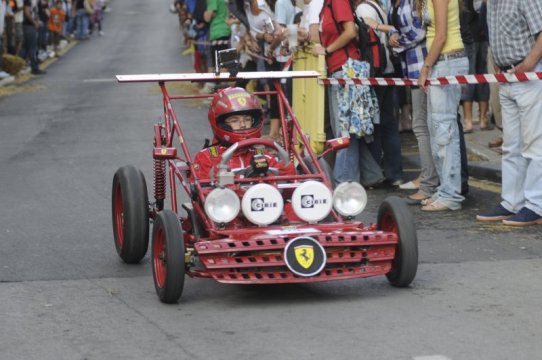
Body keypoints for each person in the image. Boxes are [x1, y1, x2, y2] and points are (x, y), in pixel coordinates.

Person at [476, 0, 542, 226]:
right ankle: (511, 202)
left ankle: (536, 205)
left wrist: (530, 62)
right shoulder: (491, 3)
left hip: (529, 76)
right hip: (507, 77)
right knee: (511, 145)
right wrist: (498, 61)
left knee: (534, 144)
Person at [312, 0, 382, 187]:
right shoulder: (326, 5)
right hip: (340, 71)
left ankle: (344, 182)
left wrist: (326, 50)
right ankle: (371, 174)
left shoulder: (336, 1)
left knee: (344, 132)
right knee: (348, 129)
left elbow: (351, 31)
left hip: (346, 70)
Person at [416, 0, 468, 211]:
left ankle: (450, 194)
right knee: (437, 130)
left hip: (447, 61)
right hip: (442, 61)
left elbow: (441, 35)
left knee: (444, 132)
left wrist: (425, 68)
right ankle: (445, 189)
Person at [192, 87, 295, 179]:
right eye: (235, 120)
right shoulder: (206, 157)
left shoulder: (263, 156)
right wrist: (219, 177)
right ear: (221, 123)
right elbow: (203, 196)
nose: (243, 125)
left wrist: (287, 172)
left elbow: (286, 185)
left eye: (247, 119)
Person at [355, 0, 404, 187]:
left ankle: (375, 173)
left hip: (373, 72)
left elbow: (366, 27)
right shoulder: (379, 7)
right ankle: (395, 172)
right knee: (388, 124)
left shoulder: (362, 8)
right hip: (387, 69)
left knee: (373, 125)